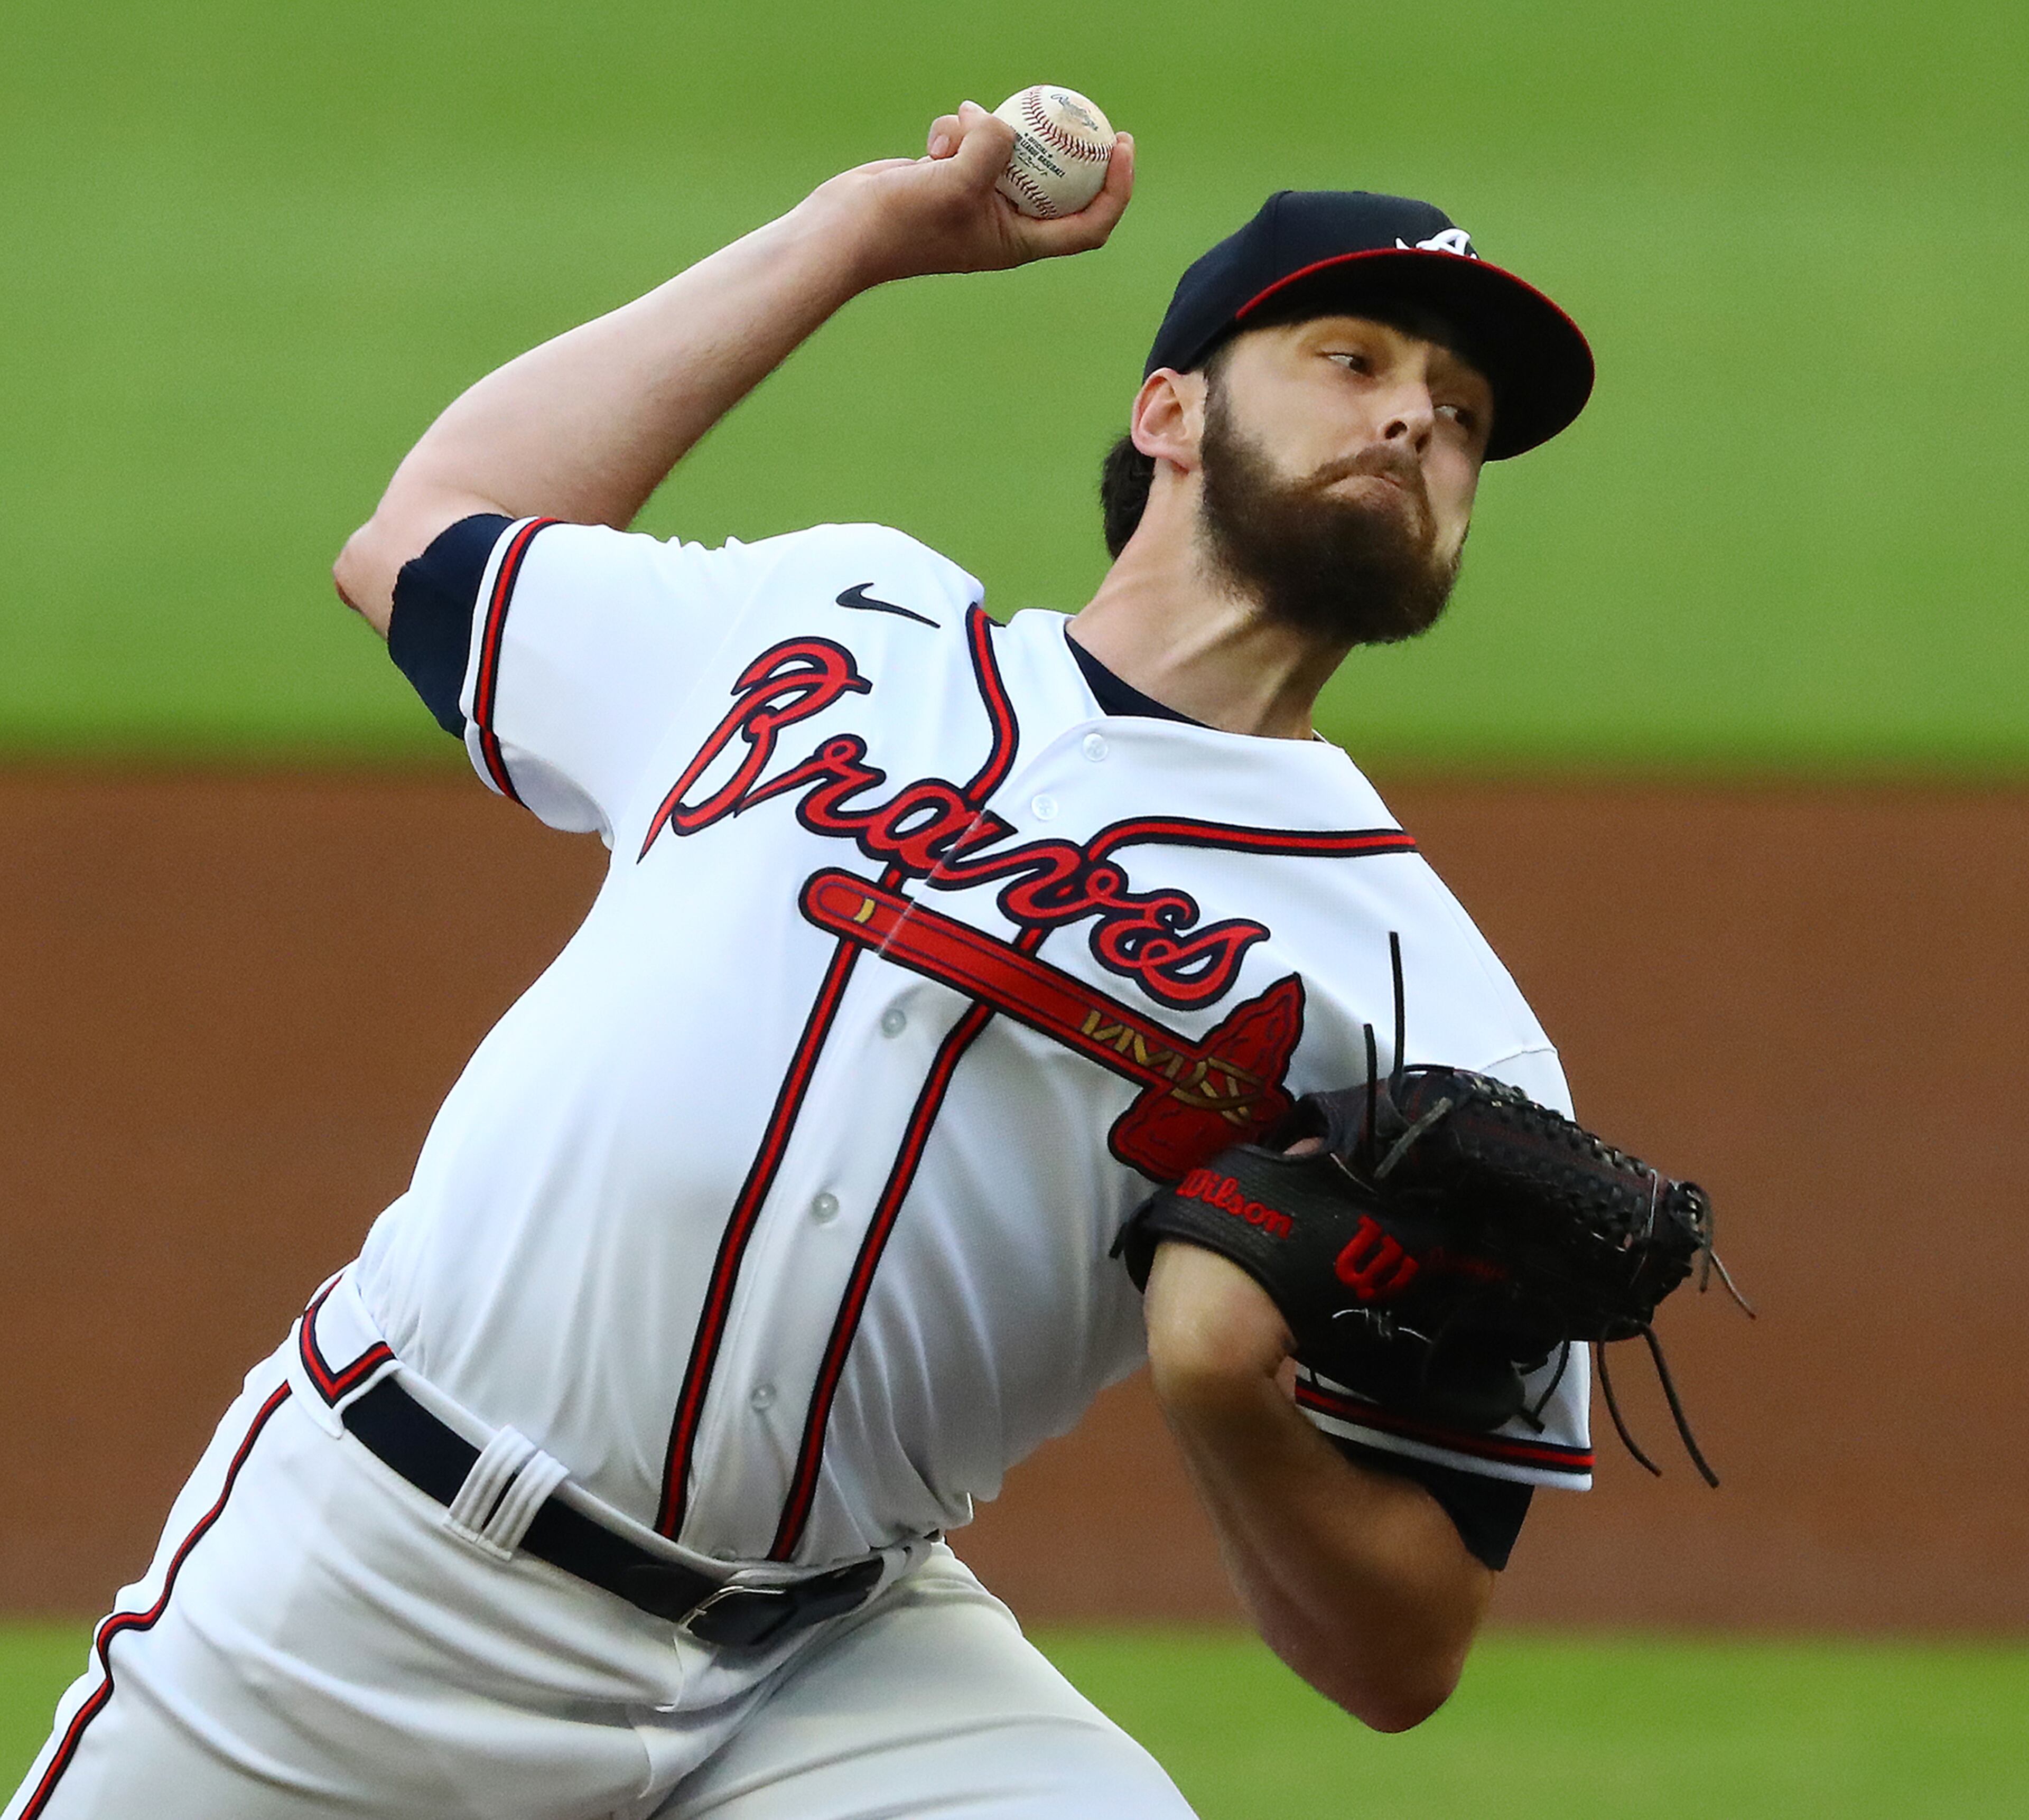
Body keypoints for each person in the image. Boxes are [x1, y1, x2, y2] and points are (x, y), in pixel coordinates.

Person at [9, 101, 1597, 1820]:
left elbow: (1403, 1652)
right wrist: (853, 236)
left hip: (833, 1675)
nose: (1413, 418)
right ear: (1169, 413)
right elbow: (425, 534)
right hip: (369, 1574)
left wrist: (1227, 1391)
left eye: (1462, 419)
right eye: (1352, 357)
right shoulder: (831, 627)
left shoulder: (1431, 1005)